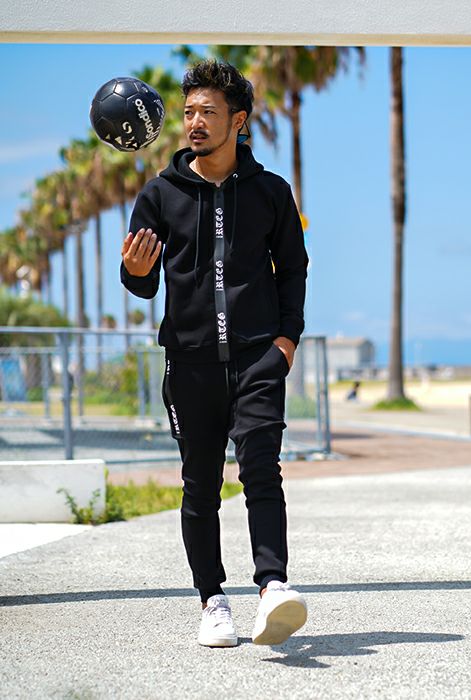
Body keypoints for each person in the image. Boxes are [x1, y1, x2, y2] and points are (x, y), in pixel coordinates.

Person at [120, 60, 309, 647]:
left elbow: (293, 269)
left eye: (208, 112)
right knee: (200, 486)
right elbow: (142, 285)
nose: (195, 122)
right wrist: (134, 272)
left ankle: (273, 587)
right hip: (190, 363)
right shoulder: (160, 194)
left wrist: (286, 341)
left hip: (258, 358)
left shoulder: (271, 192)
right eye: (188, 113)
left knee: (261, 469)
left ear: (238, 120)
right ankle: (213, 601)